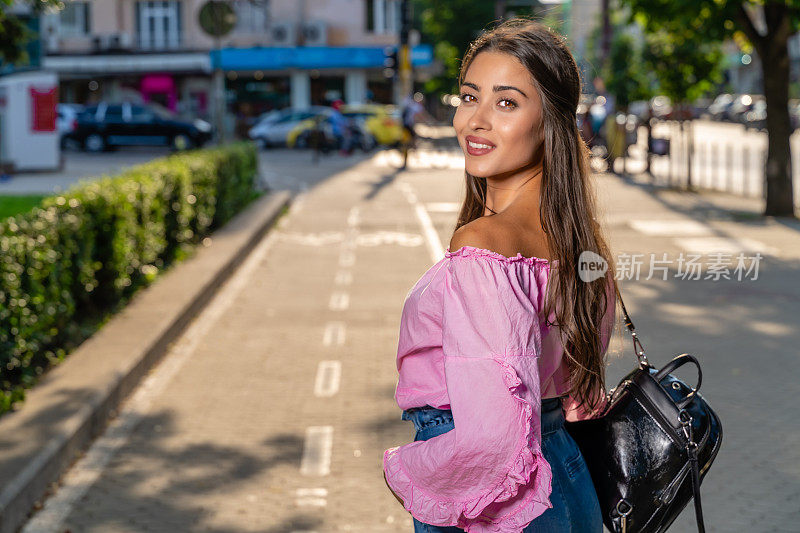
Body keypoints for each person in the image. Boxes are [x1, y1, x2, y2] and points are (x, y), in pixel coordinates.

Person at [382, 18, 619, 532]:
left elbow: (490, 440)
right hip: (567, 477)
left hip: (500, 502)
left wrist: (411, 470)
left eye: (506, 102)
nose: (475, 121)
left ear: (549, 121)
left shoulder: (485, 245)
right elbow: (580, 387)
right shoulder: (584, 243)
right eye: (469, 97)